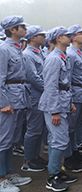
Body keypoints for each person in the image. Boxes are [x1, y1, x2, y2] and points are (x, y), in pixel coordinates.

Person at [38, 26, 79, 192]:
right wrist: (54, 110)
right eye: (66, 35)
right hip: (54, 106)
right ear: (58, 38)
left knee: (61, 139)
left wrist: (69, 102)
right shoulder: (54, 58)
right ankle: (52, 177)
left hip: (62, 103)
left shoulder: (63, 57)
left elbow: (63, 85)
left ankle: (57, 172)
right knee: (58, 140)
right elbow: (50, 86)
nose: (70, 37)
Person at [0, 16, 32, 192]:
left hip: (18, 99)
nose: (25, 29)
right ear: (12, 29)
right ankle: (0, 179)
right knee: (3, 140)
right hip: (8, 101)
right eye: (22, 26)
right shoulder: (4, 49)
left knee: (11, 140)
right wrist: (3, 102)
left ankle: (9, 175)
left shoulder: (17, 48)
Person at [64, 25, 82, 173]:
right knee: (70, 127)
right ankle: (69, 158)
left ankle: (75, 152)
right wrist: (69, 100)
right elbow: (66, 79)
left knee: (76, 125)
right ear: (74, 37)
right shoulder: (71, 53)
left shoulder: (78, 52)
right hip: (75, 92)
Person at [21, 26, 48, 173]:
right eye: (41, 35)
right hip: (35, 94)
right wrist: (48, 89)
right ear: (33, 38)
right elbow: (33, 78)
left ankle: (36, 156)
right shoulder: (28, 55)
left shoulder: (40, 53)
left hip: (42, 94)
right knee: (33, 128)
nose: (44, 37)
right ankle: (28, 160)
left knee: (40, 128)